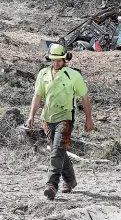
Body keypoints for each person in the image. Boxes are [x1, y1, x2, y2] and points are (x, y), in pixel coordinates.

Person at [27, 43, 93, 200]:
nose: (56, 63)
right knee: (58, 151)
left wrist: (88, 119)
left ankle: (51, 185)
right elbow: (37, 97)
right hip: (47, 118)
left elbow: (85, 98)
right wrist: (31, 116)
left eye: (59, 60)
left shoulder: (73, 75)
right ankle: (70, 181)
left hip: (65, 117)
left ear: (65, 59)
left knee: (57, 150)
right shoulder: (43, 74)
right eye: (53, 60)